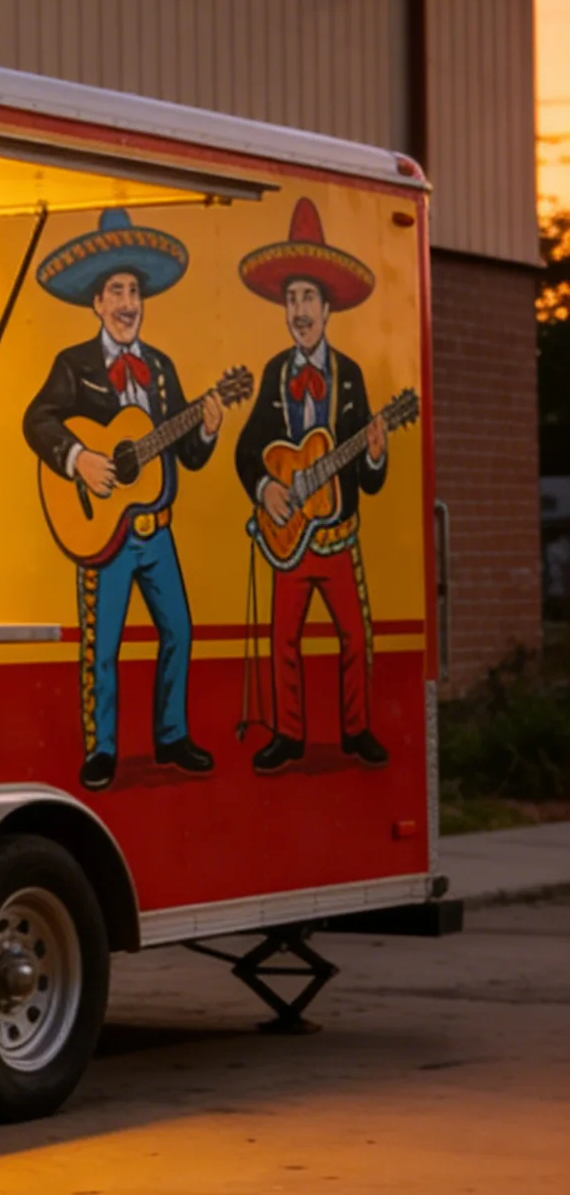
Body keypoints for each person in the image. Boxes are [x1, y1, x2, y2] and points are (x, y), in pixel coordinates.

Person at [23, 209, 221, 791]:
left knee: (179, 630)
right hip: (103, 534)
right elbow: (37, 420)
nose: (128, 302)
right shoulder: (75, 365)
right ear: (97, 303)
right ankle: (103, 748)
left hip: (156, 531)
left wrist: (205, 427)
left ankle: (171, 736)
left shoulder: (161, 370)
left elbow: (186, 457)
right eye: (117, 291)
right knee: (102, 645)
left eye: (135, 291)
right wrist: (79, 457)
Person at [234, 197, 388, 770]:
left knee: (354, 637)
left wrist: (373, 454)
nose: (299, 311)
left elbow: (370, 481)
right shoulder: (276, 372)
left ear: (327, 308)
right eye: (291, 299)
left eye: (308, 299)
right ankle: (289, 735)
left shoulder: (351, 377)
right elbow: (248, 450)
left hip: (338, 535)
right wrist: (265, 490)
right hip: (289, 539)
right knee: (284, 642)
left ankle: (356, 731)